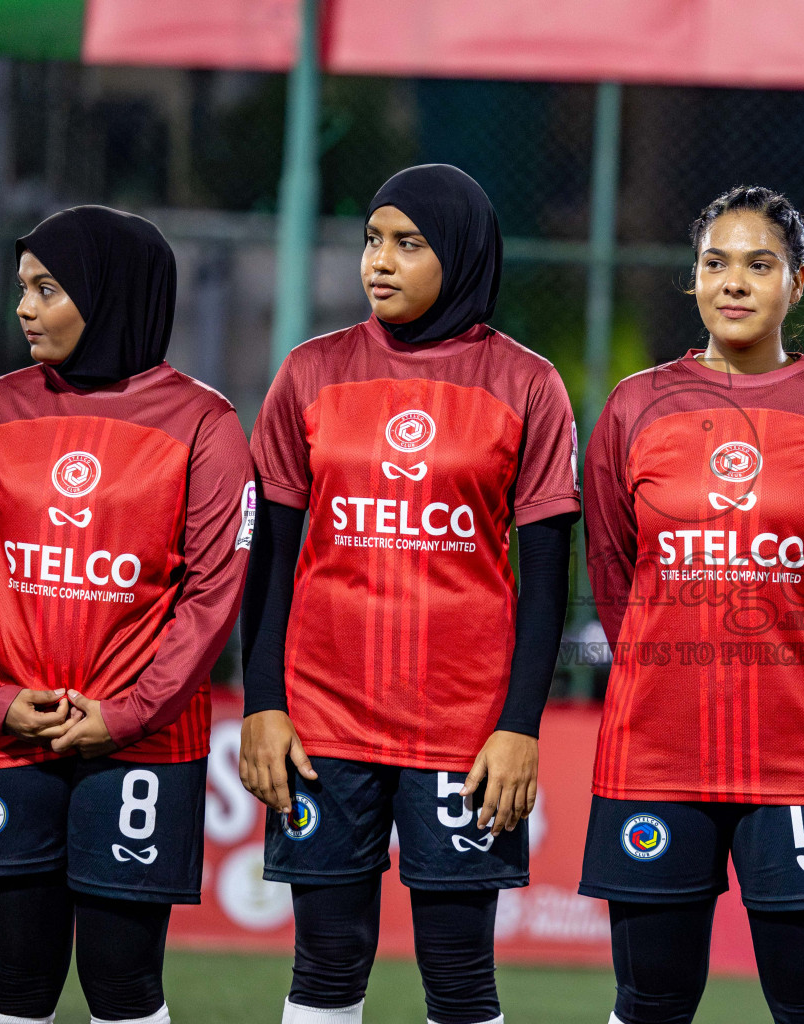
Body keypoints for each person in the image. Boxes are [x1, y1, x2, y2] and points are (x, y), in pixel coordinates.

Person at [240, 164, 578, 1024]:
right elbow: (270, 564)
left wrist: (519, 726)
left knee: (460, 974)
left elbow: (546, 584)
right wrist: (264, 704)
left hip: (464, 732)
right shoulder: (309, 373)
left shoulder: (528, 385)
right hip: (324, 722)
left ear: (460, 254)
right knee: (325, 963)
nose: (378, 262)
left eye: (408, 243)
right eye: (372, 239)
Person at [582, 184, 804, 1024]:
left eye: (759, 264)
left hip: (801, 749)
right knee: (650, 999)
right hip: (658, 744)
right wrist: (660, 661)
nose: (734, 282)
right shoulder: (634, 406)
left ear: (799, 280)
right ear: (691, 280)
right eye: (715, 263)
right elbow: (614, 569)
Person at [0, 206, 254, 1024]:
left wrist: (126, 714)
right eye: (23, 289)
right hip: (8, 732)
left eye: (48, 289)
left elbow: (213, 597)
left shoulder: (205, 425)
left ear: (112, 294)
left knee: (121, 984)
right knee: (12, 980)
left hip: (140, 742)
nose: (25, 309)